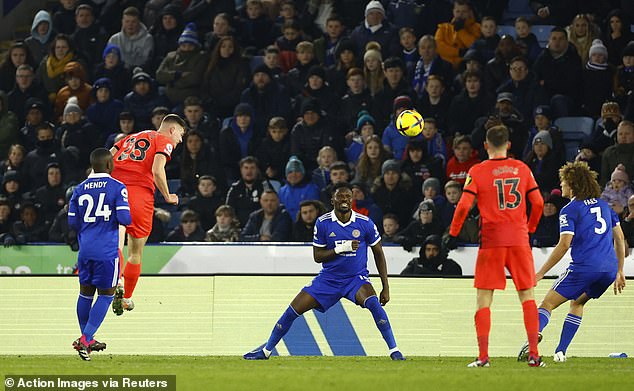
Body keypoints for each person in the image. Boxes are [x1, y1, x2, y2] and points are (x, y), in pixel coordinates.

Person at [243, 183, 405, 361]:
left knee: (374, 304)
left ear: (352, 199)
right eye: (340, 196)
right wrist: (340, 248)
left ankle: (394, 350)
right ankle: (265, 351)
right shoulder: (323, 223)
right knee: (293, 310)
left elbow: (379, 253)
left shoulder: (365, 223)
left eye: (348, 197)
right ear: (332, 200)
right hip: (328, 279)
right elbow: (317, 256)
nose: (344, 200)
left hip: (355, 279)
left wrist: (386, 287)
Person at [447, 125, 545, 368]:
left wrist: (453, 233)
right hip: (519, 241)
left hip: (491, 242)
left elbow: (463, 206)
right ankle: (534, 354)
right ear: (508, 145)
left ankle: (483, 357)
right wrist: (529, 229)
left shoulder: (477, 171)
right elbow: (539, 203)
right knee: (527, 297)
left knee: (483, 300)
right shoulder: (522, 169)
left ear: (486, 146)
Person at [517, 161, 627, 363]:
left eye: (564, 182)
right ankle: (560, 352)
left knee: (548, 303)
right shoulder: (605, 206)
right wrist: (620, 270)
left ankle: (532, 342)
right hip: (608, 271)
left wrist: (540, 273)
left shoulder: (570, 210)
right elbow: (620, 239)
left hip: (585, 268)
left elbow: (564, 244)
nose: (561, 186)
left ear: (573, 185)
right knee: (577, 302)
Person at [109, 114, 186, 315]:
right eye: (180, 134)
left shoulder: (129, 138)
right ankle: (126, 297)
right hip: (138, 193)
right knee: (135, 251)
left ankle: (116, 280)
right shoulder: (164, 140)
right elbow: (157, 169)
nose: (180, 140)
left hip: (114, 189)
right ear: (172, 129)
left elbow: (107, 157)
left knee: (116, 241)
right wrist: (168, 196)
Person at [68, 148, 131, 360]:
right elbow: (124, 218)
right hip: (106, 251)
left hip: (85, 250)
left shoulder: (78, 189)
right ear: (109, 165)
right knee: (106, 295)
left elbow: (72, 222)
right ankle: (85, 340)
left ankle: (87, 338)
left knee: (85, 293)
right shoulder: (118, 187)